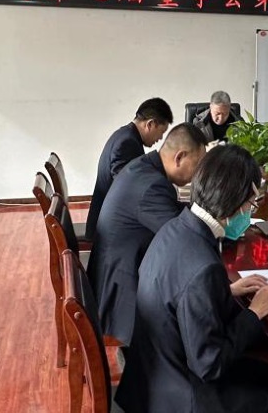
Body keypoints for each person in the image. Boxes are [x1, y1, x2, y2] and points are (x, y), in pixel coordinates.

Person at [117, 145, 268, 413]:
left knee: (263, 374)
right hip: (182, 396)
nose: (250, 211)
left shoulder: (176, 228)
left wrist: (226, 291)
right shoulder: (203, 268)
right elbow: (210, 365)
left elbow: (180, 294)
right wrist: (254, 311)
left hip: (153, 376)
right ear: (233, 200)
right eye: (251, 204)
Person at [86, 123, 206, 346]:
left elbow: (174, 215)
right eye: (198, 165)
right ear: (179, 157)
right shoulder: (151, 186)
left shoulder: (144, 168)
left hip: (114, 272)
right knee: (198, 314)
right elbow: (183, 238)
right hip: (119, 294)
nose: (198, 174)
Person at [85, 98, 173, 239]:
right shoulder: (127, 143)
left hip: (107, 220)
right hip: (108, 230)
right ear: (150, 124)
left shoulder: (125, 135)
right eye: (161, 132)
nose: (160, 138)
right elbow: (129, 189)